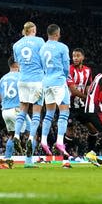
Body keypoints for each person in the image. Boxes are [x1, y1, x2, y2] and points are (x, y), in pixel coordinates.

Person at [12, 21, 45, 168]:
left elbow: (18, 63)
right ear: (33, 30)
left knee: (22, 110)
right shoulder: (39, 41)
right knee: (36, 113)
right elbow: (44, 59)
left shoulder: (16, 44)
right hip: (37, 80)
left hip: (22, 80)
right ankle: (31, 138)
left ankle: (17, 135)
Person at [39, 24, 71, 167]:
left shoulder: (42, 48)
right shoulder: (62, 47)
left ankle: (44, 141)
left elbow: (41, 65)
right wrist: (64, 77)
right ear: (58, 34)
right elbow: (66, 67)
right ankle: (59, 141)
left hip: (46, 82)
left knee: (49, 114)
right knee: (64, 113)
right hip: (58, 81)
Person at [65, 48, 98, 164]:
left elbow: (89, 86)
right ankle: (65, 160)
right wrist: (88, 97)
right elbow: (73, 91)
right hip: (70, 106)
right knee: (70, 131)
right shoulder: (69, 69)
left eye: (78, 56)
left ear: (83, 57)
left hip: (83, 106)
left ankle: (89, 154)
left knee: (93, 130)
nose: (75, 58)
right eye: (73, 56)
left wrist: (90, 96)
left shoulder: (88, 70)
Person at [0, 57, 31, 159]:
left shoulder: (3, 78)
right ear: (16, 64)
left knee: (12, 135)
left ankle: (7, 159)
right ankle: (29, 161)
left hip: (5, 111)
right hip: (17, 110)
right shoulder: (22, 76)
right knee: (31, 132)